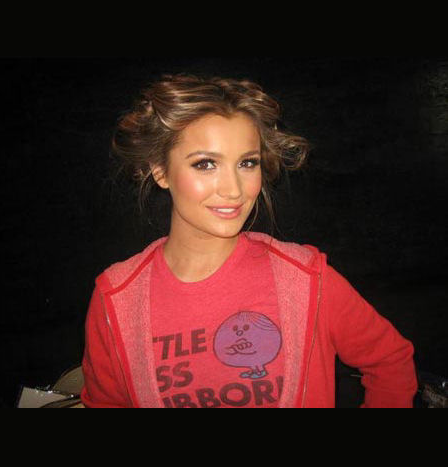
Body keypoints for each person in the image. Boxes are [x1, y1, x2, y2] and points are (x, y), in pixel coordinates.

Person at [80, 73, 417, 408]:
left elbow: (391, 361)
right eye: (206, 164)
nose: (233, 190)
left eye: (247, 163)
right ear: (160, 170)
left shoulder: (306, 280)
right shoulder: (118, 299)